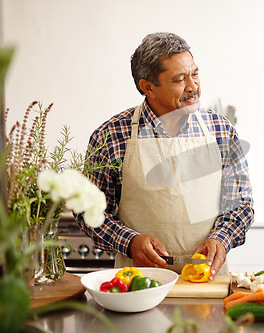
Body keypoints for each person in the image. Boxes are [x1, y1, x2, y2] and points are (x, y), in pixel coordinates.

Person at [75, 32, 253, 278]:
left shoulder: (221, 130)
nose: (193, 87)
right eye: (180, 79)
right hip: (138, 285)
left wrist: (221, 239)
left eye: (195, 74)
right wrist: (129, 242)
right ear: (148, 87)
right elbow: (88, 211)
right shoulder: (111, 136)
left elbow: (241, 205)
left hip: (207, 284)